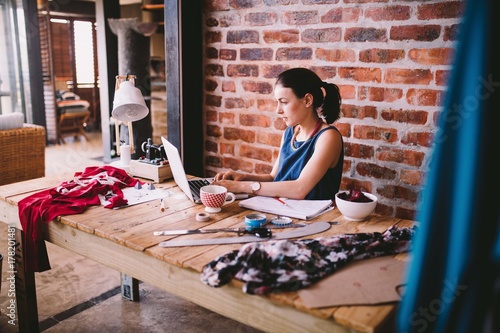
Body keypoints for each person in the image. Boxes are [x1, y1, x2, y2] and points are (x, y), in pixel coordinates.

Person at [213, 67, 344, 200]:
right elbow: (274, 178)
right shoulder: (290, 133)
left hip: (313, 219)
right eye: (277, 102)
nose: (278, 110)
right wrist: (242, 178)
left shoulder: (328, 137)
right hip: (282, 212)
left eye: (284, 102)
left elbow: (300, 189)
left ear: (307, 100)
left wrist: (240, 187)